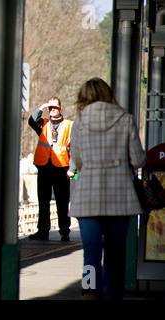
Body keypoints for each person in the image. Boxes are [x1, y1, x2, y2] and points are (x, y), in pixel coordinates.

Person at [70, 77, 146, 300]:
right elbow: (138, 160)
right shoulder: (125, 119)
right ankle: (114, 295)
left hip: (87, 199)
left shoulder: (79, 122)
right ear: (108, 93)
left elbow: (77, 160)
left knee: (91, 252)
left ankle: (90, 292)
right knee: (115, 254)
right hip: (119, 198)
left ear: (84, 97)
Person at [28, 97, 75, 241]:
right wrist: (42, 106)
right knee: (43, 201)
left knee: (62, 201)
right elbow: (31, 120)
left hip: (61, 168)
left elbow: (75, 148)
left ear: (61, 108)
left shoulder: (69, 125)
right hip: (44, 167)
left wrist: (72, 169)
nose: (52, 109)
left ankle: (64, 231)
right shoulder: (43, 124)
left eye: (55, 106)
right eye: (50, 107)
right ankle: (42, 231)